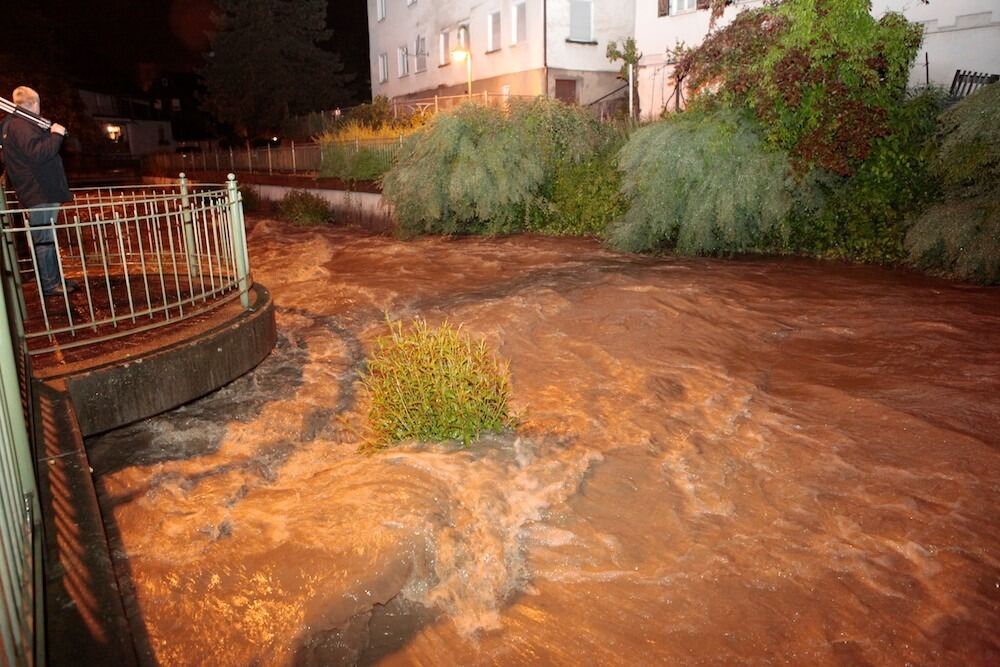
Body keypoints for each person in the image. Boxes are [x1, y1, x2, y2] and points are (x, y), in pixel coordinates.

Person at [1, 86, 77, 297]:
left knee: (46, 237)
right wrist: (56, 135)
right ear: (34, 104)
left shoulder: (10, 124)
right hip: (40, 191)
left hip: (36, 190)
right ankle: (50, 284)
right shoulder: (21, 125)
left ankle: (54, 278)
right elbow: (39, 153)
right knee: (44, 238)